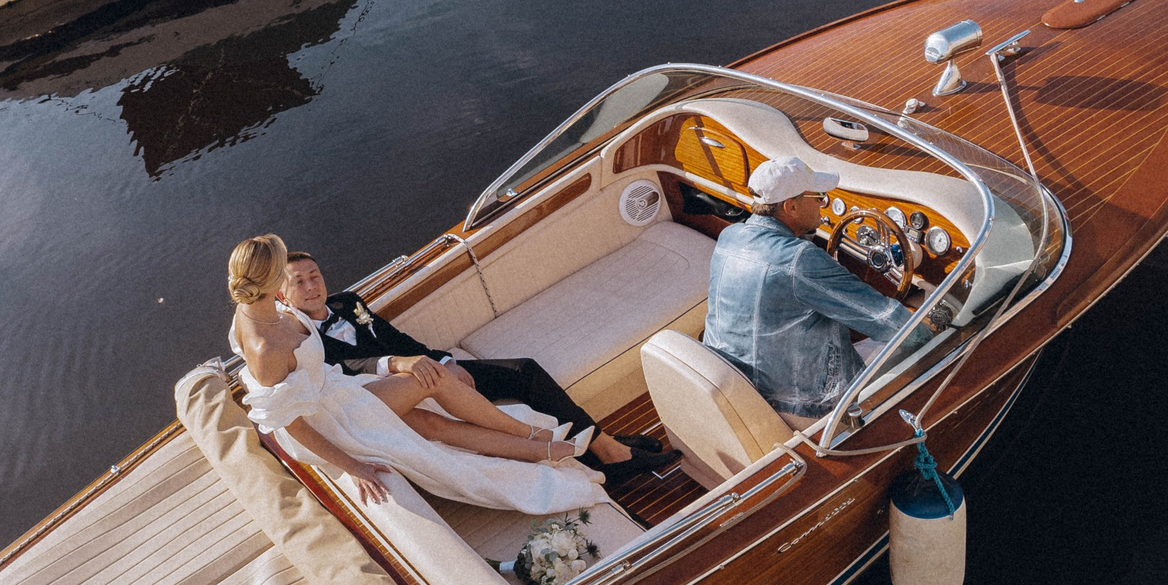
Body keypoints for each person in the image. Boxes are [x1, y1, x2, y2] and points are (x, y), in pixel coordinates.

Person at [226, 234, 610, 516]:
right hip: (328, 417)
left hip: (342, 390)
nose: (306, 286)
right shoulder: (266, 348)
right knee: (433, 380)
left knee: (430, 422)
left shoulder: (250, 309)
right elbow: (292, 424)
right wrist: (353, 466)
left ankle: (539, 448)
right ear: (276, 284)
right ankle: (528, 435)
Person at [277, 250, 674, 493]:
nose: (312, 286)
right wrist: (399, 364)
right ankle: (612, 454)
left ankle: (602, 443)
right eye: (300, 282)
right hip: (392, 395)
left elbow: (396, 336)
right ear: (282, 294)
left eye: (315, 275)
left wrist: (445, 359)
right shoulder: (296, 335)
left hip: (429, 369)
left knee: (525, 371)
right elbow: (343, 366)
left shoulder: (348, 302)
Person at [702, 154, 948, 425]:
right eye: (817, 196)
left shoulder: (731, 236)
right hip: (802, 403)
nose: (824, 202)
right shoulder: (799, 260)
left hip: (744, 382)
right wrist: (940, 338)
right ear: (791, 207)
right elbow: (884, 319)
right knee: (918, 350)